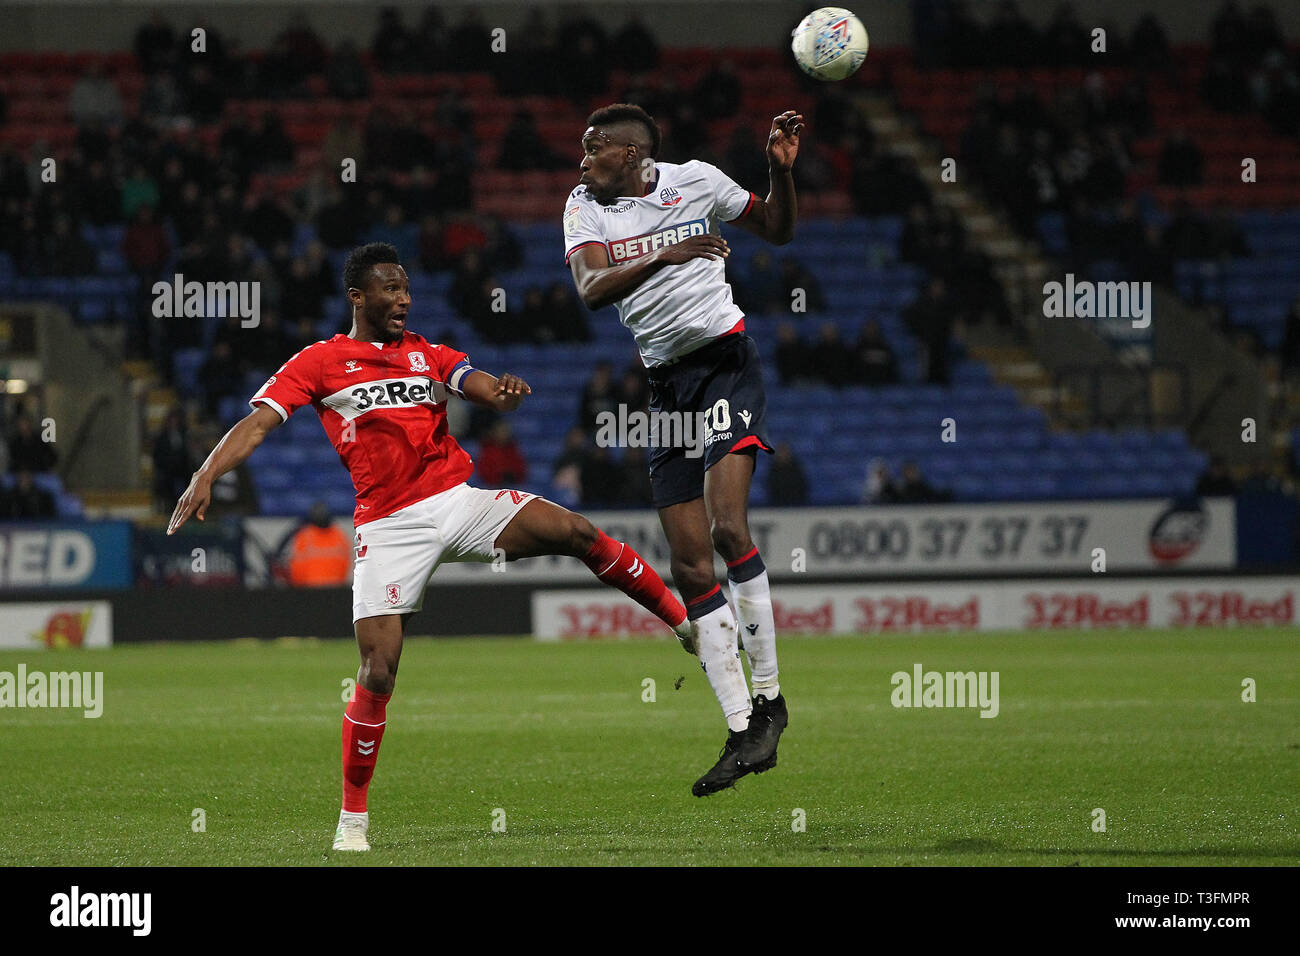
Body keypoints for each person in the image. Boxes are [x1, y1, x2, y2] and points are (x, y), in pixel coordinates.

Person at [167, 243, 695, 852]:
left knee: (574, 531)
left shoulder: (427, 352)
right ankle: (353, 819)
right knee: (378, 671)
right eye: (390, 289)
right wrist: (208, 472)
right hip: (389, 527)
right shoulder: (321, 361)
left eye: (407, 288)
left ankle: (684, 623)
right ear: (358, 297)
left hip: (455, 501)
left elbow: (476, 384)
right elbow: (258, 421)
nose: (403, 298)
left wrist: (500, 391)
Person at [564, 103, 799, 796]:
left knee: (729, 527)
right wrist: (665, 251)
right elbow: (589, 288)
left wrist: (780, 176)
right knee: (690, 565)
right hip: (665, 389)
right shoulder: (585, 205)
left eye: (592, 149)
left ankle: (772, 701)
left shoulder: (697, 180)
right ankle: (742, 731)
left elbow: (778, 229)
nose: (581, 162)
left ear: (633, 154)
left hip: (725, 362)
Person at [282, 502, 352, 587]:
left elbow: (346, 564)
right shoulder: (304, 536)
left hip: (333, 589)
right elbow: (295, 567)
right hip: (310, 590)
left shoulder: (339, 536)